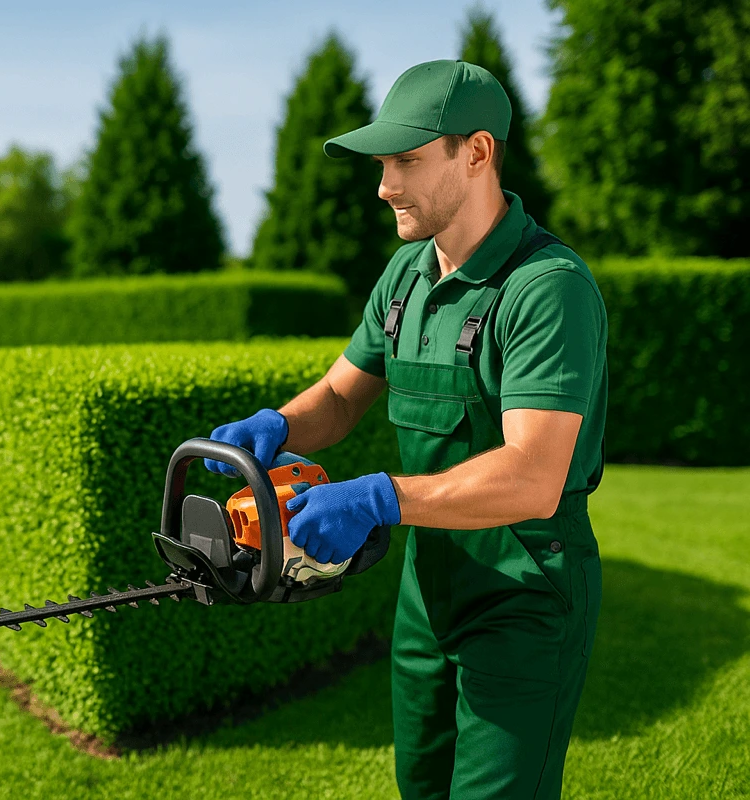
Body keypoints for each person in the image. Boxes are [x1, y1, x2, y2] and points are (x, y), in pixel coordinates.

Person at [205, 59, 607, 800]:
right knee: (420, 787)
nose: (386, 184)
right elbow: (339, 394)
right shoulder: (405, 277)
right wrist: (278, 423)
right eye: (385, 163)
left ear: (478, 153)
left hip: (525, 592)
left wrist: (378, 497)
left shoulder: (547, 289)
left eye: (408, 161)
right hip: (430, 589)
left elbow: (533, 474)